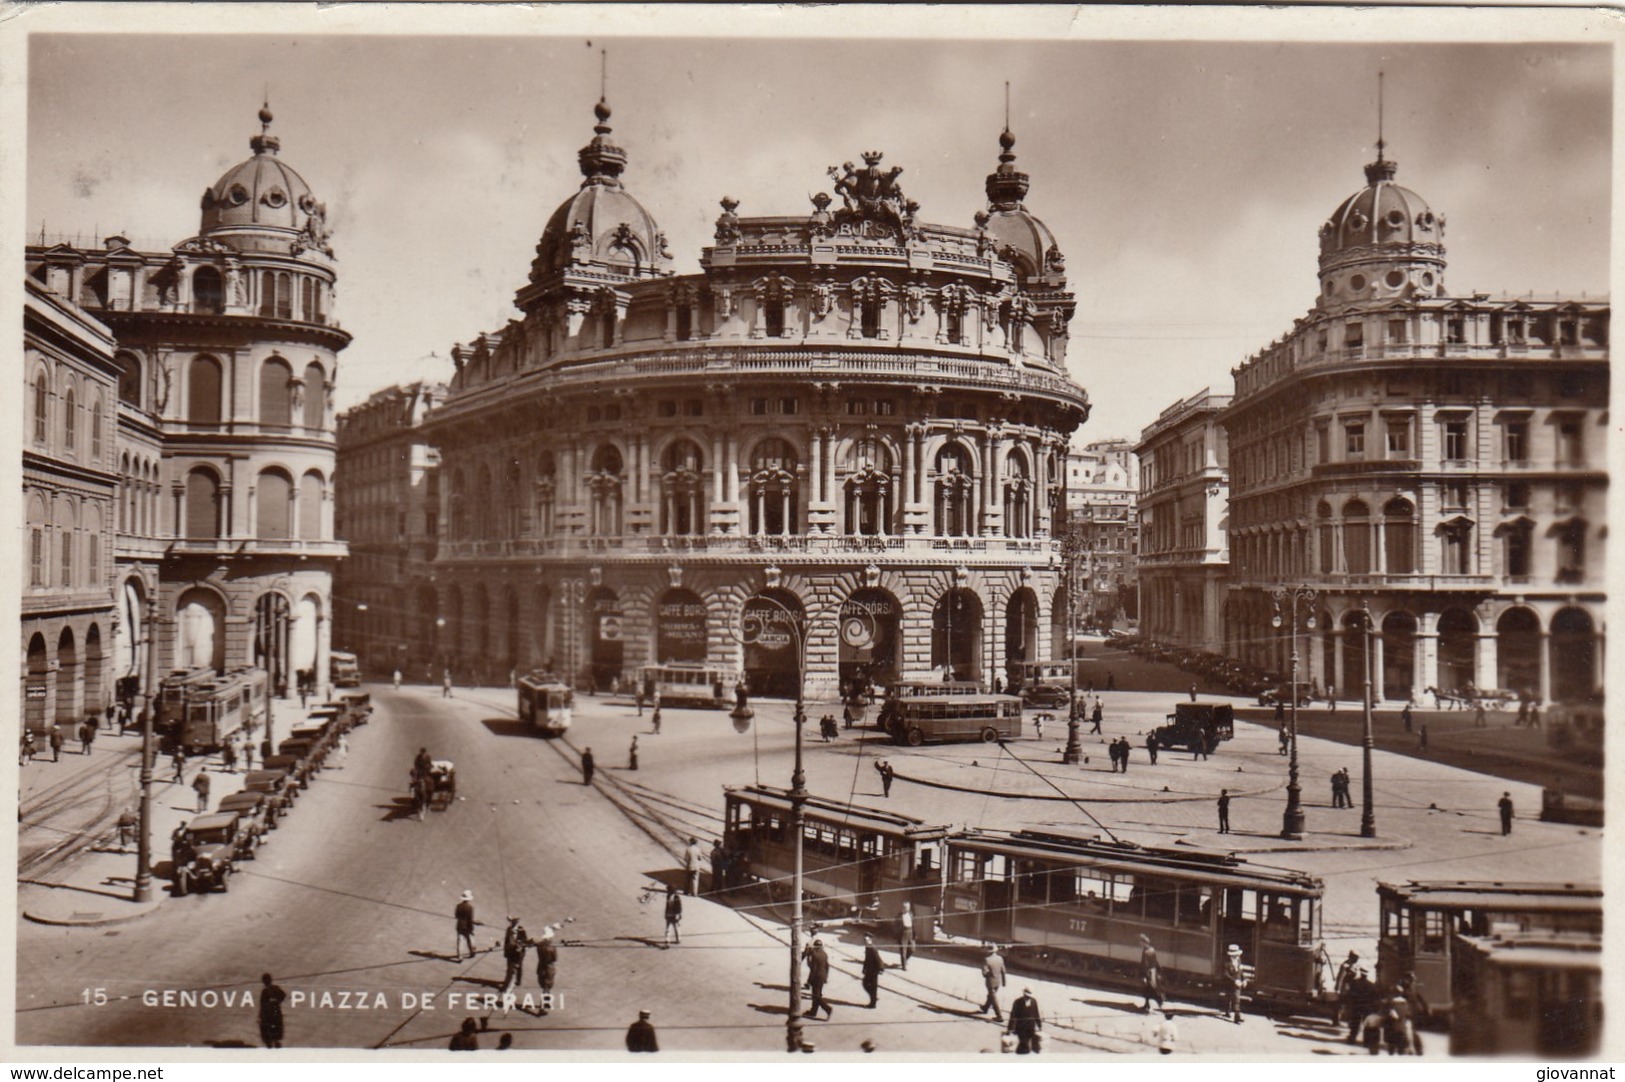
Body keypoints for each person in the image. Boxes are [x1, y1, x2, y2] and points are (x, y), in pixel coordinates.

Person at [499, 917, 529, 1009]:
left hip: (519, 953)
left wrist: (520, 946)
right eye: (512, 922)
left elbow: (525, 942)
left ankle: (517, 981)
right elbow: (506, 941)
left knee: (518, 967)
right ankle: (506, 983)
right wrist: (505, 952)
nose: (512, 923)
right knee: (509, 968)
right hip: (510, 952)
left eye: (514, 922)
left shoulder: (521, 930)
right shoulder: (509, 929)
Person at [1006, 987, 1043, 1054]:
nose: (1027, 998)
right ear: (1023, 994)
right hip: (1021, 1028)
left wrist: (1039, 1025)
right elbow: (1013, 1016)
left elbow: (1036, 1013)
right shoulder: (1017, 1002)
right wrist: (1010, 1029)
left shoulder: (1033, 1001)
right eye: (1026, 996)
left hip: (1031, 1027)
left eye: (1029, 996)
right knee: (1024, 1044)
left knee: (1034, 1045)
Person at [804, 938, 834, 1019]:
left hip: (816, 977)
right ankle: (813, 1011)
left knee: (816, 996)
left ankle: (828, 1009)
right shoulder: (825, 954)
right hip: (822, 976)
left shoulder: (815, 955)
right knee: (818, 994)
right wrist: (826, 977)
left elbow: (813, 970)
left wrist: (808, 982)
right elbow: (827, 966)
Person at [534, 925, 559, 1012]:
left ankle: (547, 1002)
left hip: (541, 967)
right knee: (547, 987)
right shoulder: (552, 948)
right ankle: (542, 1007)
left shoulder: (539, 946)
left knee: (545, 986)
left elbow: (536, 943)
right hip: (549, 968)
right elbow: (555, 958)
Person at [259, 973, 287, 1048]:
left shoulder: (266, 991)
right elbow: (283, 995)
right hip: (275, 1014)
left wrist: (261, 1016)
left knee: (269, 1037)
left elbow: (263, 1005)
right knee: (275, 1036)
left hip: (269, 1016)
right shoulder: (275, 989)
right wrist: (277, 1001)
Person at [980, 943, 1006, 1021]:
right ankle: (985, 1008)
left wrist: (988, 974)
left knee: (993, 997)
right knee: (991, 996)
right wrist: (1004, 982)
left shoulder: (987, 960)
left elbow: (984, 973)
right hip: (998, 981)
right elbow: (1003, 971)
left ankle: (999, 1016)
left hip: (990, 982)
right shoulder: (1000, 958)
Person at [1139, 934, 1165, 1012]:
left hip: (1148, 972)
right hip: (1153, 971)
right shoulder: (1152, 949)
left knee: (1149, 989)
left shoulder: (1145, 951)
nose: (1140, 944)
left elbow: (1145, 965)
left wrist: (1144, 976)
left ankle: (1159, 1000)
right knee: (1149, 989)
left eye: (1141, 942)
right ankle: (1147, 1004)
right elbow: (1156, 962)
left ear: (1144, 942)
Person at [1223, 943, 1247, 1023]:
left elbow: (1241, 971)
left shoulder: (1239, 960)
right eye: (1235, 955)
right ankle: (1227, 1011)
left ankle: (1237, 1016)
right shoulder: (1226, 963)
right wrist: (1234, 980)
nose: (1236, 956)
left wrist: (1244, 979)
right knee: (1229, 997)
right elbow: (1225, 974)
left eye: (1237, 955)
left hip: (1238, 983)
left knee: (1237, 999)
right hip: (1230, 983)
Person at [861, 933, 883, 1008]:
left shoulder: (873, 949)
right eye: (864, 940)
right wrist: (864, 968)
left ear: (870, 940)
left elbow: (879, 960)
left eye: (866, 940)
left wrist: (881, 969)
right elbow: (866, 959)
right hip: (869, 971)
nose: (865, 941)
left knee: (870, 986)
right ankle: (874, 998)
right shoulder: (868, 947)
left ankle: (872, 1004)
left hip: (873, 972)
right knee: (866, 984)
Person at [454, 890, 477, 960]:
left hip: (460, 926)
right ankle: (472, 952)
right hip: (468, 926)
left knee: (460, 941)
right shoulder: (470, 908)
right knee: (470, 940)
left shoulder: (458, 906)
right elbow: (470, 919)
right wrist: (472, 928)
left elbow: (456, 915)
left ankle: (460, 956)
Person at [897, 901, 915, 969]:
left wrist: (914, 933)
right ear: (903, 908)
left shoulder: (910, 914)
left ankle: (905, 960)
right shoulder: (899, 916)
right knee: (903, 950)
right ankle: (904, 965)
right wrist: (898, 935)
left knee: (912, 949)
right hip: (903, 932)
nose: (908, 909)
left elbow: (913, 924)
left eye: (908, 907)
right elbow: (896, 926)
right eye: (906, 907)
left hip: (910, 931)